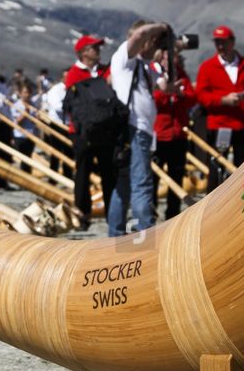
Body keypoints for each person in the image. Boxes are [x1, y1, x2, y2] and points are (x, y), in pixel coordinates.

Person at [108, 21, 169, 236]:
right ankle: (144, 236)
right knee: (142, 183)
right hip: (135, 129)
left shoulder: (142, 66)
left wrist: (169, 53)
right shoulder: (123, 58)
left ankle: (115, 235)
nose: (154, 46)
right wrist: (160, 27)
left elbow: (164, 85)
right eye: (152, 42)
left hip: (138, 130)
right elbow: (139, 35)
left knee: (123, 185)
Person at [195, 25, 244, 189]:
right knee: (216, 168)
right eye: (217, 42)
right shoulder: (207, 67)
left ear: (232, 42)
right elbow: (201, 96)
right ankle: (213, 207)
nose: (220, 46)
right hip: (220, 125)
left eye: (223, 42)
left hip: (243, 125)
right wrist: (223, 100)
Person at [62, 34, 119, 227]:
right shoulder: (74, 74)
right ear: (84, 53)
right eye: (94, 48)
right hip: (83, 132)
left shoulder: (106, 70)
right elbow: (77, 105)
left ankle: (113, 212)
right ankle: (83, 213)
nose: (98, 51)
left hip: (105, 130)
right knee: (83, 174)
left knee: (109, 172)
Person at [153, 44, 197, 220]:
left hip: (178, 133)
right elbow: (151, 100)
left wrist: (180, 94)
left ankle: (173, 212)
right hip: (158, 134)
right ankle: (151, 211)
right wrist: (167, 92)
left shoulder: (181, 73)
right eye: (167, 56)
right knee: (153, 177)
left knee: (176, 174)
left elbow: (193, 98)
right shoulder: (153, 73)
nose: (171, 60)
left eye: (173, 57)